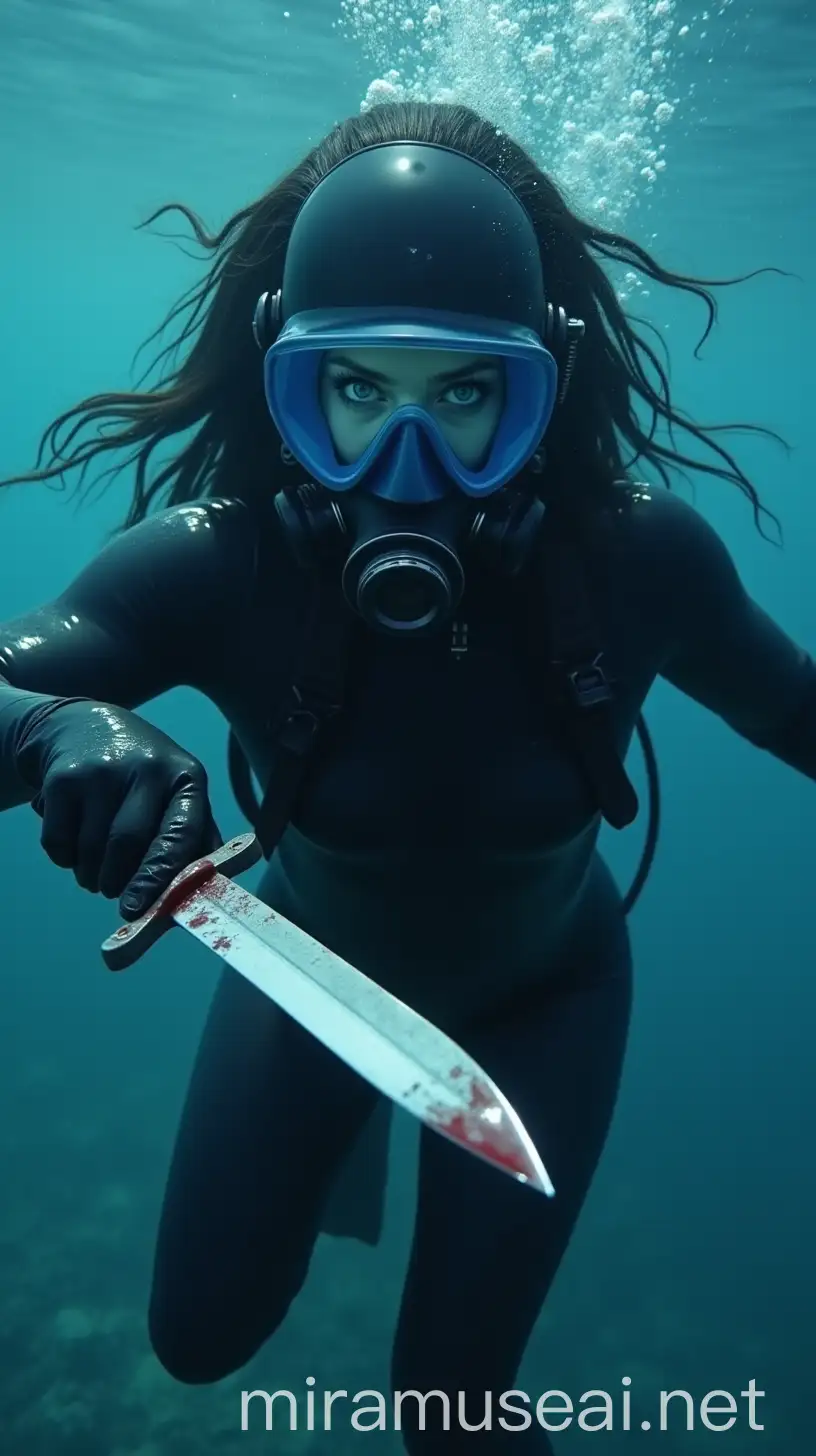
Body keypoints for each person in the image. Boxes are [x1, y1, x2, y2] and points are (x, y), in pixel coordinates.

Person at [0, 101, 813, 1452]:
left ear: (541, 387)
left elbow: (799, 709)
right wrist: (54, 735)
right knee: (196, 1345)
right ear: (286, 383)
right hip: (307, 977)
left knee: (452, 1403)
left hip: (548, 997)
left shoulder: (639, 562)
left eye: (468, 397)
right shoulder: (218, 565)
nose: (409, 463)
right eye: (356, 393)